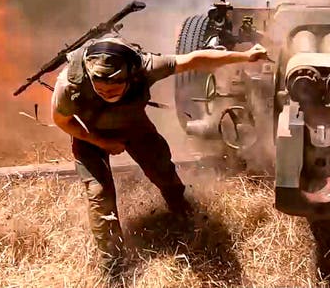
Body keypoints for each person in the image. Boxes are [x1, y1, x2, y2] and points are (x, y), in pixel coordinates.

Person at [51, 35, 268, 274]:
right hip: (89, 135)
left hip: (134, 126)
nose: (106, 93)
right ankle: (112, 263)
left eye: (114, 88)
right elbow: (62, 120)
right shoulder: (70, 83)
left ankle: (182, 211)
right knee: (99, 196)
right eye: (100, 89)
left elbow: (194, 59)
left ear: (129, 75)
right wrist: (102, 142)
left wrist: (246, 56)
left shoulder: (145, 67)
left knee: (163, 171)